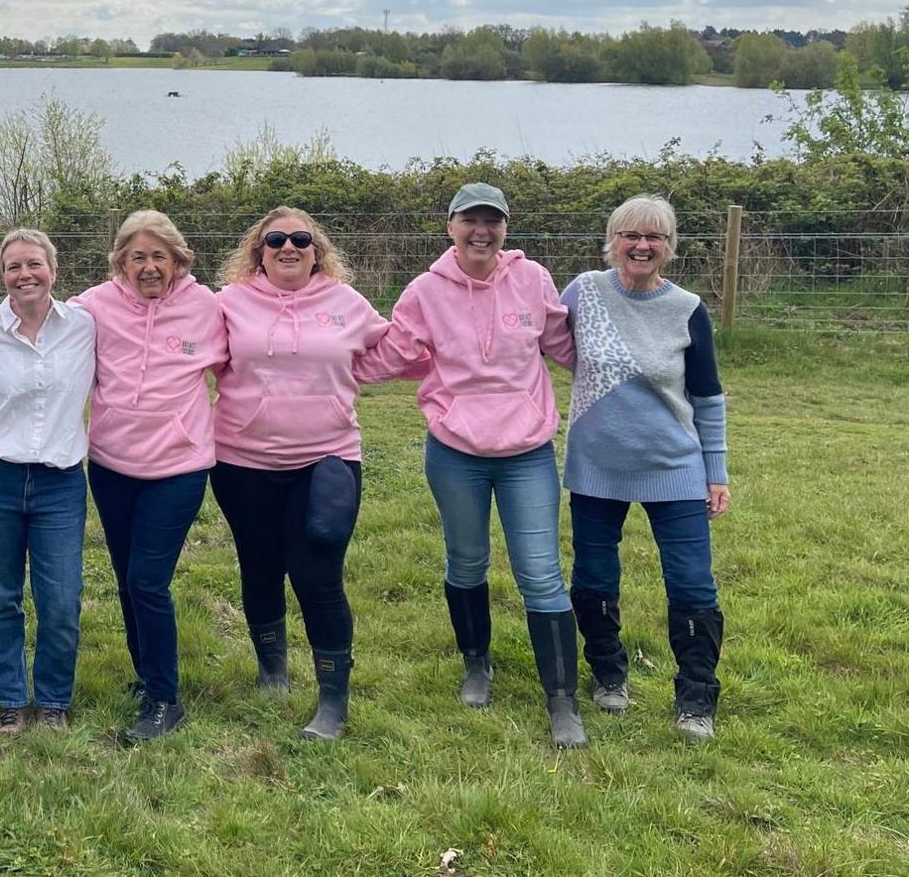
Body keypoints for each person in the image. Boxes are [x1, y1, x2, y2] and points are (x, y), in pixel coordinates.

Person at [370, 183, 588, 749]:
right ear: (450, 227)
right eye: (470, 220)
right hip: (455, 452)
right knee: (466, 560)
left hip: (527, 453)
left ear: (506, 229)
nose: (481, 231)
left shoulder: (533, 279)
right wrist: (317, 357)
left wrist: (640, 355)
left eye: (492, 221)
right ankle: (476, 664)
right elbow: (394, 353)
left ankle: (561, 699)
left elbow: (566, 345)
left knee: (540, 570)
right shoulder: (425, 290)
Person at [210, 206, 403, 741]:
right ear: (258, 250)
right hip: (241, 461)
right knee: (259, 567)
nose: (288, 247)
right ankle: (272, 672)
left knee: (317, 576)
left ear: (317, 251)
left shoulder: (346, 304)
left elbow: (393, 348)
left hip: (327, 459)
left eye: (300, 239)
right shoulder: (227, 304)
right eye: (276, 240)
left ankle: (333, 699)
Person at [561, 194, 730, 741]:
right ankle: (607, 673)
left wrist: (716, 470)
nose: (642, 245)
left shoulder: (687, 307)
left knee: (692, 585)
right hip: (596, 465)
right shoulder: (582, 292)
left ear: (669, 247)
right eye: (631, 235)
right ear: (612, 241)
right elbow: (531, 342)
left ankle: (696, 697)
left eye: (655, 237)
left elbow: (708, 396)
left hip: (674, 465)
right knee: (594, 575)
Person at [71, 210, 225, 742]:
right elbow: (39, 317)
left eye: (160, 256)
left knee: (147, 580)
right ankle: (145, 674)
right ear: (120, 261)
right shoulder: (93, 306)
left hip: (177, 467)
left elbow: (246, 352)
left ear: (179, 260)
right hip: (111, 465)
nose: (150, 267)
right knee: (126, 576)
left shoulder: (207, 309)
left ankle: (166, 699)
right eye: (138, 256)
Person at [0, 229, 95, 734]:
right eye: (13, 267)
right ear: (1, 275)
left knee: (60, 598)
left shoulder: (84, 325)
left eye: (34, 264)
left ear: (55, 269)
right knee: (0, 594)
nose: (24, 274)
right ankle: (11, 700)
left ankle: (53, 702)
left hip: (60, 484)